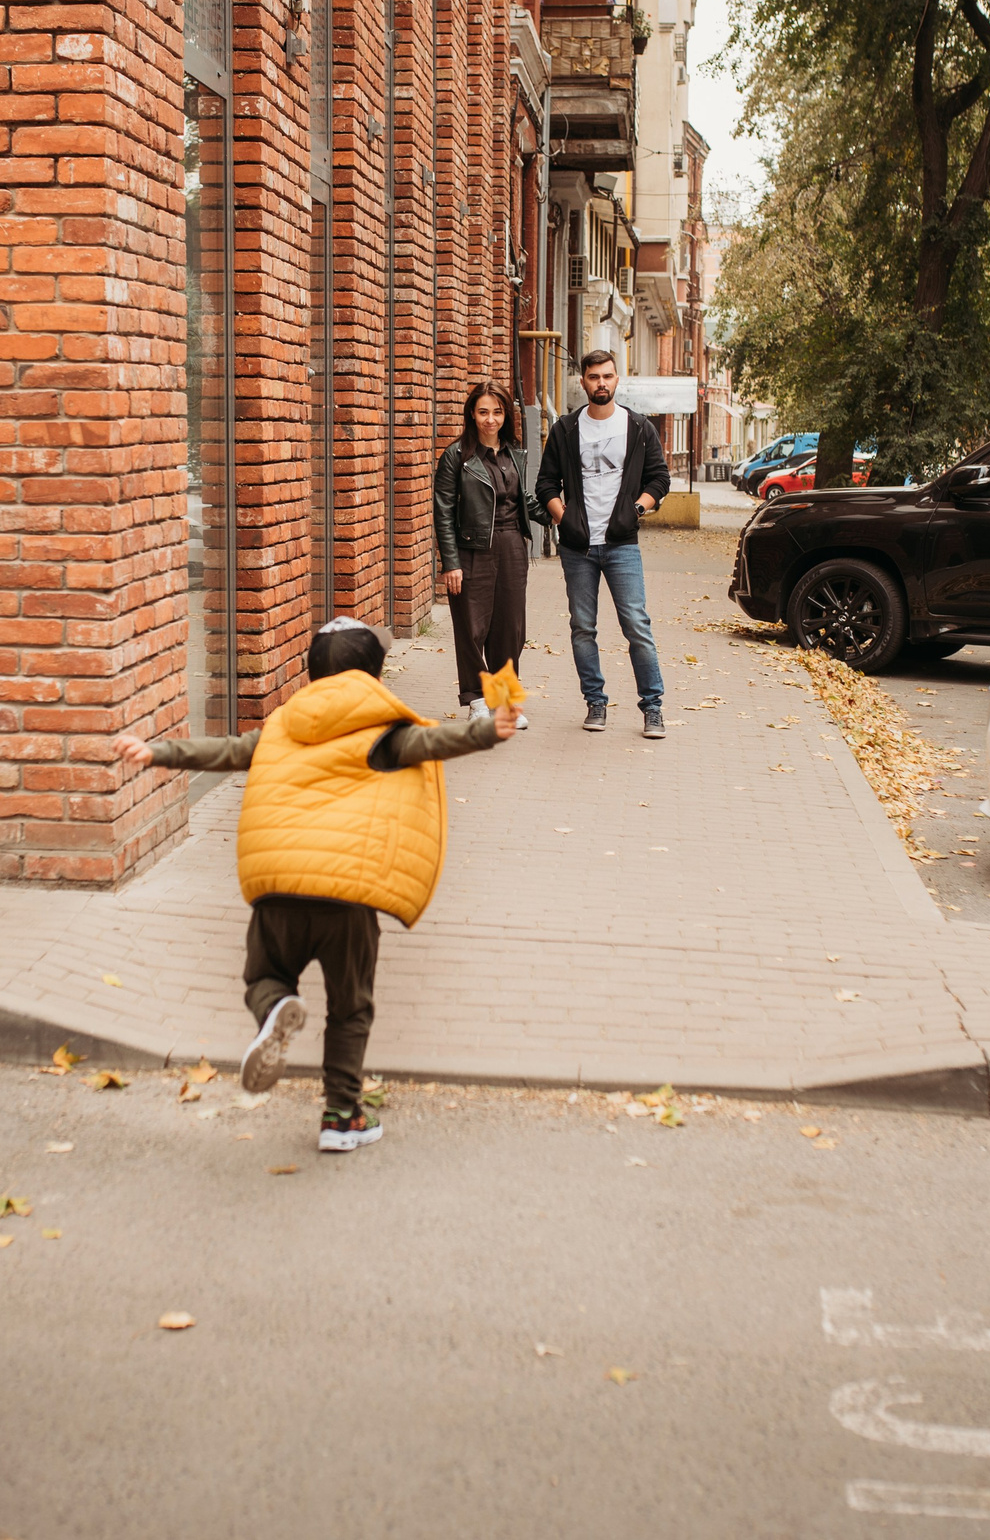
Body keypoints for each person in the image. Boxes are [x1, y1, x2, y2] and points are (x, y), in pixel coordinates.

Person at [112, 618, 518, 1154]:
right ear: (374, 676)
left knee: (264, 977)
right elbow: (435, 741)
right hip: (346, 896)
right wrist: (488, 731)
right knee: (350, 1008)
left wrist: (158, 753)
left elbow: (224, 752)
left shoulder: (282, 728)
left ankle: (275, 1008)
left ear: (312, 675)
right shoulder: (383, 732)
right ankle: (341, 1117)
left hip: (279, 887)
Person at [533, 347, 670, 737]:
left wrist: (635, 510)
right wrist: (564, 518)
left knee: (637, 625)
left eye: (607, 376)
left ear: (617, 379)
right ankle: (595, 702)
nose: (601, 383)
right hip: (577, 547)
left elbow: (660, 479)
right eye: (594, 377)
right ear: (584, 382)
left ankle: (653, 708)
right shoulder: (566, 429)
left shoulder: (638, 428)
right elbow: (546, 483)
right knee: (582, 627)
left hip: (621, 543)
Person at [432, 381, 532, 728]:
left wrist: (562, 513)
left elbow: (524, 500)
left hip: (512, 547)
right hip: (471, 549)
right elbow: (443, 511)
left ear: (506, 415)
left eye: (497, 412)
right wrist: (451, 563)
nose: (491, 419)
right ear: (472, 414)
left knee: (510, 629)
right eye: (483, 412)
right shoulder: (456, 456)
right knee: (471, 628)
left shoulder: (515, 453)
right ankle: (476, 700)